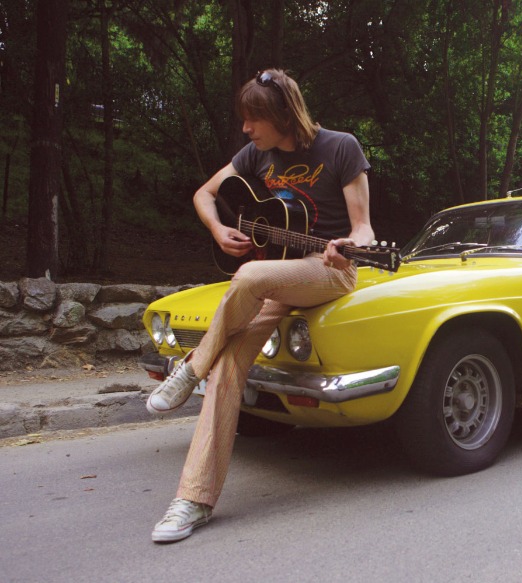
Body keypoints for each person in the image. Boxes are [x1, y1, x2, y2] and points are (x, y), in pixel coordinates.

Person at [146, 69, 374, 543]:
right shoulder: (255, 155)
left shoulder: (340, 147)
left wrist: (348, 247)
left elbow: (364, 229)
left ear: (283, 114)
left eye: (254, 119)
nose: (246, 129)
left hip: (328, 271)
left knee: (248, 276)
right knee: (229, 368)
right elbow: (204, 193)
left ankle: (191, 366)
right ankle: (193, 499)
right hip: (276, 276)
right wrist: (218, 229)